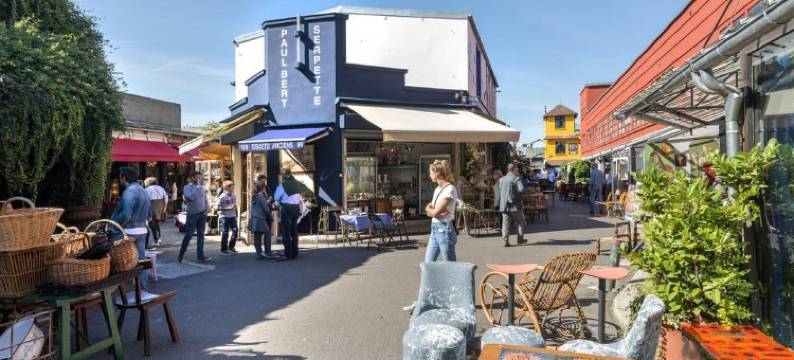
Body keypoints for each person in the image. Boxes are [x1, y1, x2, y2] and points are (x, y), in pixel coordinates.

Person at [111, 167, 152, 289]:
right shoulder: (143, 190)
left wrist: (113, 223)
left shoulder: (129, 191)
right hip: (142, 229)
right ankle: (143, 288)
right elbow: (150, 214)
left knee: (116, 257)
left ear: (124, 177)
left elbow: (126, 215)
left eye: (120, 177)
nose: (119, 179)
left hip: (129, 229)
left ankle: (116, 287)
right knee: (141, 259)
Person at [424, 160, 459, 262]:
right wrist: (430, 210)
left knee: (450, 266)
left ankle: (455, 278)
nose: (429, 175)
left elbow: (435, 212)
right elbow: (430, 208)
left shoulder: (450, 189)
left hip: (444, 229)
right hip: (434, 229)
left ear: (437, 174)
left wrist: (432, 211)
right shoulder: (438, 189)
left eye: (430, 173)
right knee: (428, 264)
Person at [178, 171, 212, 263]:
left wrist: (207, 208)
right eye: (198, 177)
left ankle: (200, 255)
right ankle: (181, 254)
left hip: (202, 214)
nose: (200, 179)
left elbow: (205, 198)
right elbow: (191, 197)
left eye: (200, 178)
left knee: (201, 235)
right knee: (189, 235)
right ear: (193, 178)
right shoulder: (187, 187)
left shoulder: (201, 187)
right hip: (192, 214)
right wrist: (197, 188)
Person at [273, 168, 303, 260]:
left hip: (287, 208)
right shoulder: (296, 183)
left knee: (286, 232)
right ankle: (295, 252)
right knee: (294, 231)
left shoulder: (283, 185)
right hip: (296, 208)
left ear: (283, 175)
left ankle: (288, 254)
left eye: (281, 175)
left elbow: (276, 197)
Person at [495, 163, 526, 247]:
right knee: (520, 221)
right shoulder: (516, 179)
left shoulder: (501, 179)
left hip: (504, 205)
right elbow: (522, 189)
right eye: (517, 169)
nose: (518, 170)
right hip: (515, 205)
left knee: (505, 223)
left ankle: (506, 241)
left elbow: (499, 191)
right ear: (513, 169)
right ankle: (520, 239)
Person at [250, 177, 276, 260]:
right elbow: (265, 208)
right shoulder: (260, 195)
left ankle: (259, 253)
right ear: (263, 187)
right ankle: (267, 252)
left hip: (255, 217)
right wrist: (270, 217)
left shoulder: (255, 195)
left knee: (257, 236)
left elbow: (258, 205)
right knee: (267, 233)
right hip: (261, 218)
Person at [143, 177, 168, 249]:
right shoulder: (160, 188)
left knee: (152, 224)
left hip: (151, 205)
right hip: (160, 205)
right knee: (157, 223)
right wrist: (165, 208)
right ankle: (158, 239)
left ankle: (156, 239)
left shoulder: (146, 189)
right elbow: (165, 197)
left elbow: (145, 199)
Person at [217, 181, 239, 255]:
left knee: (235, 231)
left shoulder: (233, 195)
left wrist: (235, 207)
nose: (233, 188)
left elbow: (234, 204)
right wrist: (228, 208)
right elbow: (217, 208)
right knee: (225, 233)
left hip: (232, 216)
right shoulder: (222, 197)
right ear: (227, 187)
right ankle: (223, 250)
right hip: (224, 217)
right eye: (232, 187)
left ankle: (231, 247)